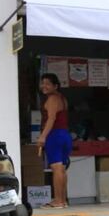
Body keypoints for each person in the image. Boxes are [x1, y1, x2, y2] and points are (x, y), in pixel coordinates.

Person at [37, 73, 71, 208]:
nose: (44, 86)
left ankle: (58, 201)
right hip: (65, 135)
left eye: (47, 84)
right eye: (42, 83)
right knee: (62, 169)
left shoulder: (52, 99)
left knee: (56, 168)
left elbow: (51, 119)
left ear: (55, 86)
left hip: (54, 135)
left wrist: (42, 137)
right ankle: (62, 200)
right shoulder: (62, 99)